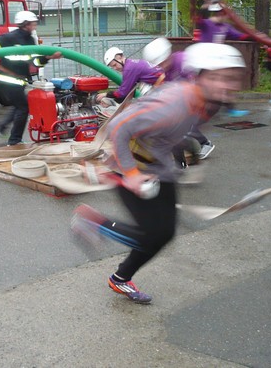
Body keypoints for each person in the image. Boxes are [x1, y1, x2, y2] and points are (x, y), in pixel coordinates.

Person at [71, 43, 246, 304]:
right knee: (152, 235)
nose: (225, 85)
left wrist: (185, 159)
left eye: (231, 77)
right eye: (216, 77)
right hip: (130, 167)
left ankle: (120, 278)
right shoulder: (175, 103)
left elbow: (174, 133)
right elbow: (119, 126)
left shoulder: (209, 103)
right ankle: (93, 222)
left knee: (165, 234)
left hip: (158, 167)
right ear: (199, 76)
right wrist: (131, 174)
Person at [0, 10, 61, 146]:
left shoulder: (30, 40)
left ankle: (1, 128)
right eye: (33, 23)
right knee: (23, 107)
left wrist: (48, 57)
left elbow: (35, 62)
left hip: (18, 80)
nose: (35, 26)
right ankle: (14, 140)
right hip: (6, 79)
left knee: (20, 105)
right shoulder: (10, 37)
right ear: (25, 24)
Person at [142, 37, 216, 162]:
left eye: (162, 63)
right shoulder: (166, 69)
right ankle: (201, 145)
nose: (161, 67)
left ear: (168, 56)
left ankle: (204, 144)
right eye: (158, 65)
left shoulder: (183, 60)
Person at [196, 3, 254, 117]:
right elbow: (198, 18)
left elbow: (240, 36)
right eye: (225, 14)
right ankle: (198, 107)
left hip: (217, 59)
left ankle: (230, 108)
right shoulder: (206, 23)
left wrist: (255, 36)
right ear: (220, 13)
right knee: (201, 84)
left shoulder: (226, 27)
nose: (227, 16)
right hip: (204, 59)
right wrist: (205, 5)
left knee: (225, 82)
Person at [97, 46, 164, 103]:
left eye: (115, 65)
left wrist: (106, 94)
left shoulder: (129, 69)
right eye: (112, 67)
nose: (115, 68)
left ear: (120, 58)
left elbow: (122, 93)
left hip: (164, 85)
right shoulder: (132, 63)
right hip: (164, 81)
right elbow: (127, 91)